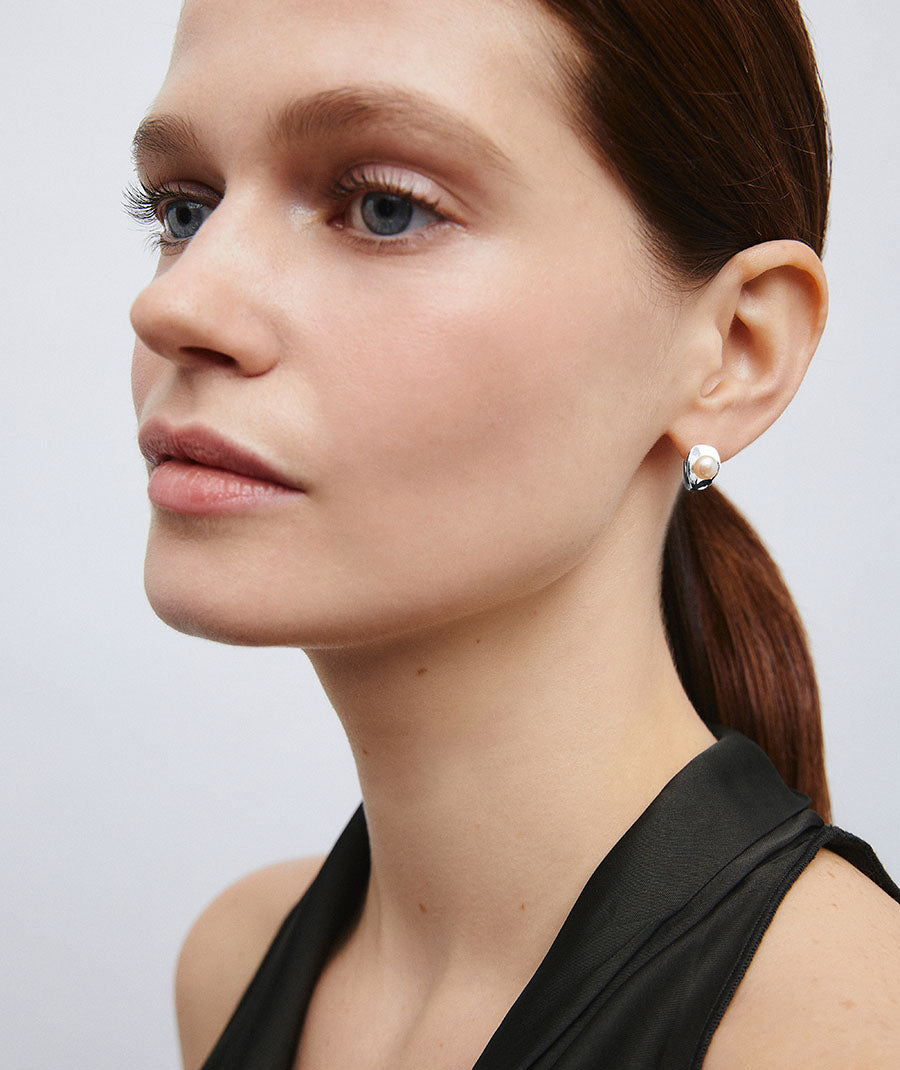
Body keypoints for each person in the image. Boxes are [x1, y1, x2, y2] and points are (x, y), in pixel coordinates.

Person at [127, 0, 900, 1066]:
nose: (176, 305)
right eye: (183, 209)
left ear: (734, 347)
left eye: (386, 207)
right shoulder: (234, 961)